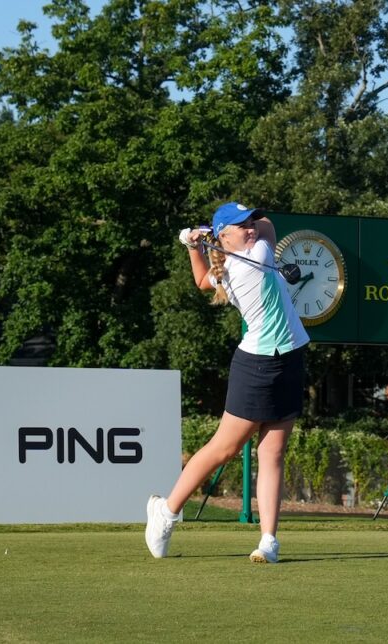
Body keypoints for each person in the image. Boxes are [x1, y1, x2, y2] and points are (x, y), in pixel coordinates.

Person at [145, 202, 310, 563]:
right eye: (241, 226)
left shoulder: (233, 263)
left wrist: (193, 244)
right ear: (225, 237)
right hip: (257, 367)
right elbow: (269, 228)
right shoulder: (257, 255)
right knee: (224, 449)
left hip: (290, 357)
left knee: (273, 453)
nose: (251, 228)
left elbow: (203, 281)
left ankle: (269, 540)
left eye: (249, 221)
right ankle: (166, 512)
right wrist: (203, 238)